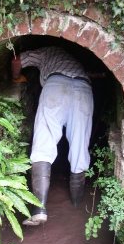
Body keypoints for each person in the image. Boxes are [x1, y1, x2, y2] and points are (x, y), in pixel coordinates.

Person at [12, 46, 94, 226]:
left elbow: (17, 60)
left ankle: (39, 209)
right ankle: (77, 205)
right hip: (84, 89)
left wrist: (16, 77)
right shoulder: (75, 61)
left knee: (44, 142)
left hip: (56, 86)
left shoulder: (46, 52)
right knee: (80, 147)